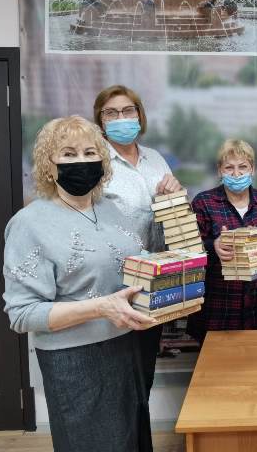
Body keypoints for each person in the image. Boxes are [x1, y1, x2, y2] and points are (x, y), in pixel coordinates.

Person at [3, 116, 154, 452]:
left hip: (127, 348)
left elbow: (133, 264)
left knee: (131, 441)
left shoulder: (112, 209)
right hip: (75, 361)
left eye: (90, 152)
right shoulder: (29, 224)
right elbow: (22, 314)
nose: (81, 161)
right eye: (68, 154)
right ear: (49, 165)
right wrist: (101, 307)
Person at [93, 84, 182, 398]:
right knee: (114, 378)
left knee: (144, 372)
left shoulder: (155, 158)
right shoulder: (95, 162)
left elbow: (172, 212)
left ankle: (139, 427)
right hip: (112, 281)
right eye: (111, 113)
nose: (121, 118)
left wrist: (173, 195)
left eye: (128, 110)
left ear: (139, 115)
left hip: (153, 280)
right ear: (100, 120)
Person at [188, 139, 257, 343]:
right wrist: (213, 246)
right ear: (219, 171)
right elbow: (188, 251)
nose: (236, 174)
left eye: (242, 167)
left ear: (252, 169)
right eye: (229, 168)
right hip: (219, 308)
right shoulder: (203, 202)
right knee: (216, 363)